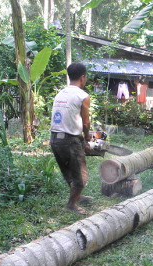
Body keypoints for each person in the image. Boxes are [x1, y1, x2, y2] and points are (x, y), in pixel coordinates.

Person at [50, 63, 92, 214]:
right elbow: (86, 123)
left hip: (55, 139)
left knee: (69, 172)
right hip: (69, 140)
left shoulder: (60, 93)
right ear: (83, 77)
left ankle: (77, 197)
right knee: (81, 176)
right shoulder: (82, 96)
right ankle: (71, 204)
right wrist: (87, 139)